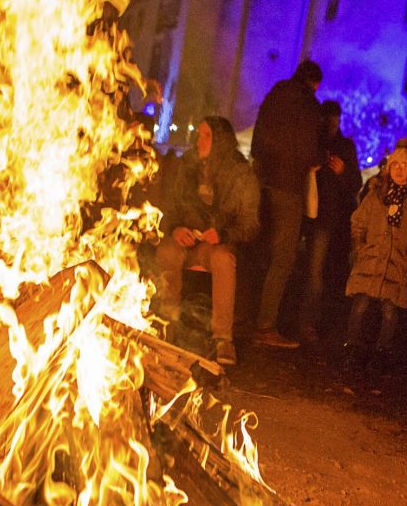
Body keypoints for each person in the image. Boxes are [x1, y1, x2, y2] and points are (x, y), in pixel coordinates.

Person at [155, 116, 260, 365]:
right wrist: (176, 229)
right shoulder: (187, 167)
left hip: (215, 245)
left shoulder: (239, 174)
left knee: (224, 260)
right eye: (199, 135)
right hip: (186, 241)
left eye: (206, 136)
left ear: (220, 142)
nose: (199, 141)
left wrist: (222, 234)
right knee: (167, 253)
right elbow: (169, 208)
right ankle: (166, 324)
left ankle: (223, 338)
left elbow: (250, 224)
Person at [250, 59, 324, 348]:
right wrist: (316, 160)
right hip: (289, 188)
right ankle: (266, 325)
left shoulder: (274, 95)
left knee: (260, 250)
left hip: (263, 182)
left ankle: (245, 316)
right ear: (314, 83)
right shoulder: (308, 106)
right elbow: (308, 151)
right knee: (283, 257)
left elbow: (257, 141)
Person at [343, 147, 407, 371]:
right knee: (360, 305)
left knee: (390, 310)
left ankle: (382, 350)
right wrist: (360, 247)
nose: (399, 171)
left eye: (405, 166)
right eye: (395, 165)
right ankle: (353, 347)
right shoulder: (375, 196)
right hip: (370, 260)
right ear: (388, 168)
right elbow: (358, 222)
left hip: (396, 264)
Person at [302, 99, 361, 344]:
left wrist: (343, 172)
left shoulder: (344, 147)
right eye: (328, 119)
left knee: (330, 273)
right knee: (314, 272)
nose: (332, 123)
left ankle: (322, 322)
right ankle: (308, 323)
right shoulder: (312, 142)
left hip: (335, 219)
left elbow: (355, 182)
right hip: (316, 216)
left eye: (335, 119)